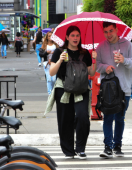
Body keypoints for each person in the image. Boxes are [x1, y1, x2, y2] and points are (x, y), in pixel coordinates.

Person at [49, 25, 97, 159]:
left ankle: (80, 148)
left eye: (77, 35)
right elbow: (52, 72)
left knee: (83, 117)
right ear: (67, 37)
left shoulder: (84, 53)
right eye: (72, 36)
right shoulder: (59, 51)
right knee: (65, 120)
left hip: (81, 89)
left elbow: (91, 72)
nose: (75, 38)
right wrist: (59, 59)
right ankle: (68, 150)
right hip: (63, 89)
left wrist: (95, 60)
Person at [96, 22, 132, 158]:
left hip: (124, 89)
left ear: (116, 30)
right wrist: (105, 67)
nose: (108, 34)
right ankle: (107, 146)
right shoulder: (101, 46)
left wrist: (124, 60)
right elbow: (96, 65)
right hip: (108, 89)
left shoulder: (127, 45)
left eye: (111, 31)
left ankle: (117, 145)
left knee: (120, 118)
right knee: (107, 117)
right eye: (106, 32)